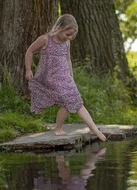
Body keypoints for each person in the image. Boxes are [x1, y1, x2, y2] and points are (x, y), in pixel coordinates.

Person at [25, 14, 106, 142]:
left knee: (75, 100)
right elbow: (29, 51)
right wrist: (28, 69)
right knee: (68, 99)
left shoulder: (67, 43)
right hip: (50, 77)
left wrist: (71, 77)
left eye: (71, 35)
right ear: (58, 28)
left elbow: (68, 60)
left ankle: (88, 128)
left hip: (64, 77)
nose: (69, 37)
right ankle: (89, 129)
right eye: (67, 34)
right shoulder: (45, 39)